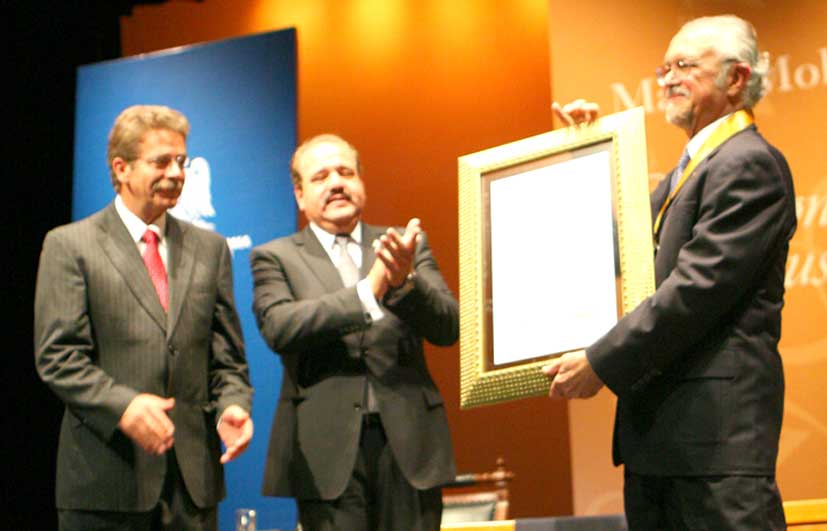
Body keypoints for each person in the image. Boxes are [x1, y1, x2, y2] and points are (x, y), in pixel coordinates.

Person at [544, 15, 796, 530]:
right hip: (662, 446)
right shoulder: (690, 169)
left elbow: (692, 293)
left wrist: (599, 361)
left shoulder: (748, 164)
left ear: (736, 79)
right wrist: (585, 153)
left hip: (713, 450)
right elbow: (608, 252)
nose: (668, 78)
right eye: (665, 67)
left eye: (685, 65)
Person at [34, 105, 254, 531]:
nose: (176, 173)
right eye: (161, 162)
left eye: (181, 162)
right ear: (122, 168)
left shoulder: (209, 249)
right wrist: (124, 405)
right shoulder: (71, 245)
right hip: (106, 483)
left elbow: (227, 356)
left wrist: (233, 404)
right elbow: (58, 357)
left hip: (193, 488)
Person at [251, 134, 458, 531]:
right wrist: (369, 291)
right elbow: (281, 327)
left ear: (362, 182)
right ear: (299, 194)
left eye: (346, 172)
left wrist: (403, 283)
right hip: (323, 452)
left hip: (409, 446)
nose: (336, 184)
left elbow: (448, 325)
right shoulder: (276, 256)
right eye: (321, 176)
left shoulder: (403, 245)